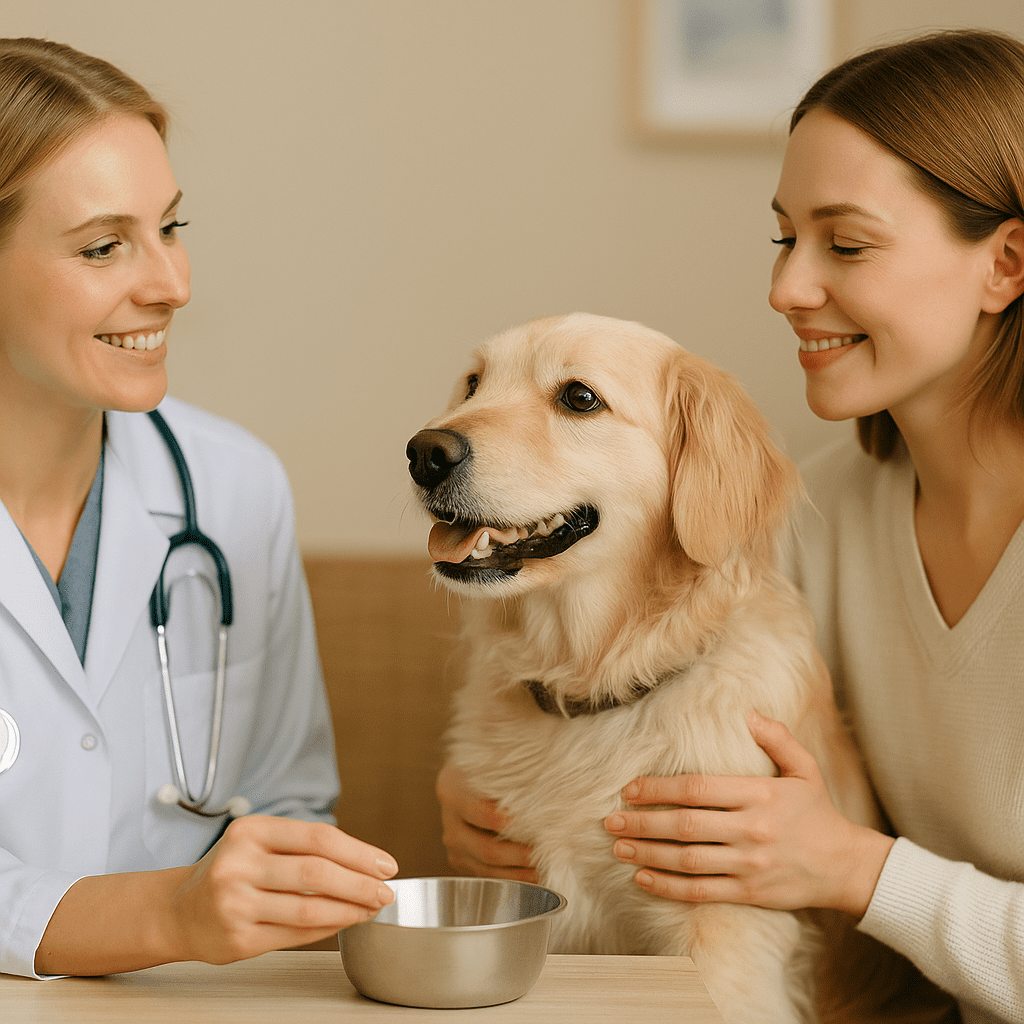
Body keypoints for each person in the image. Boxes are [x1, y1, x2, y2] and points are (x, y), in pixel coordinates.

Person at [436, 29, 1024, 1024]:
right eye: (782, 238)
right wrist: (497, 795)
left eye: (844, 243)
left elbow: (828, 865)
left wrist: (860, 871)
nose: (786, 289)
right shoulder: (814, 514)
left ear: (1005, 263)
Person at [0, 38, 398, 980]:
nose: (171, 285)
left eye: (170, 229)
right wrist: (162, 912)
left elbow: (288, 806)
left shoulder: (230, 488)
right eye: (104, 247)